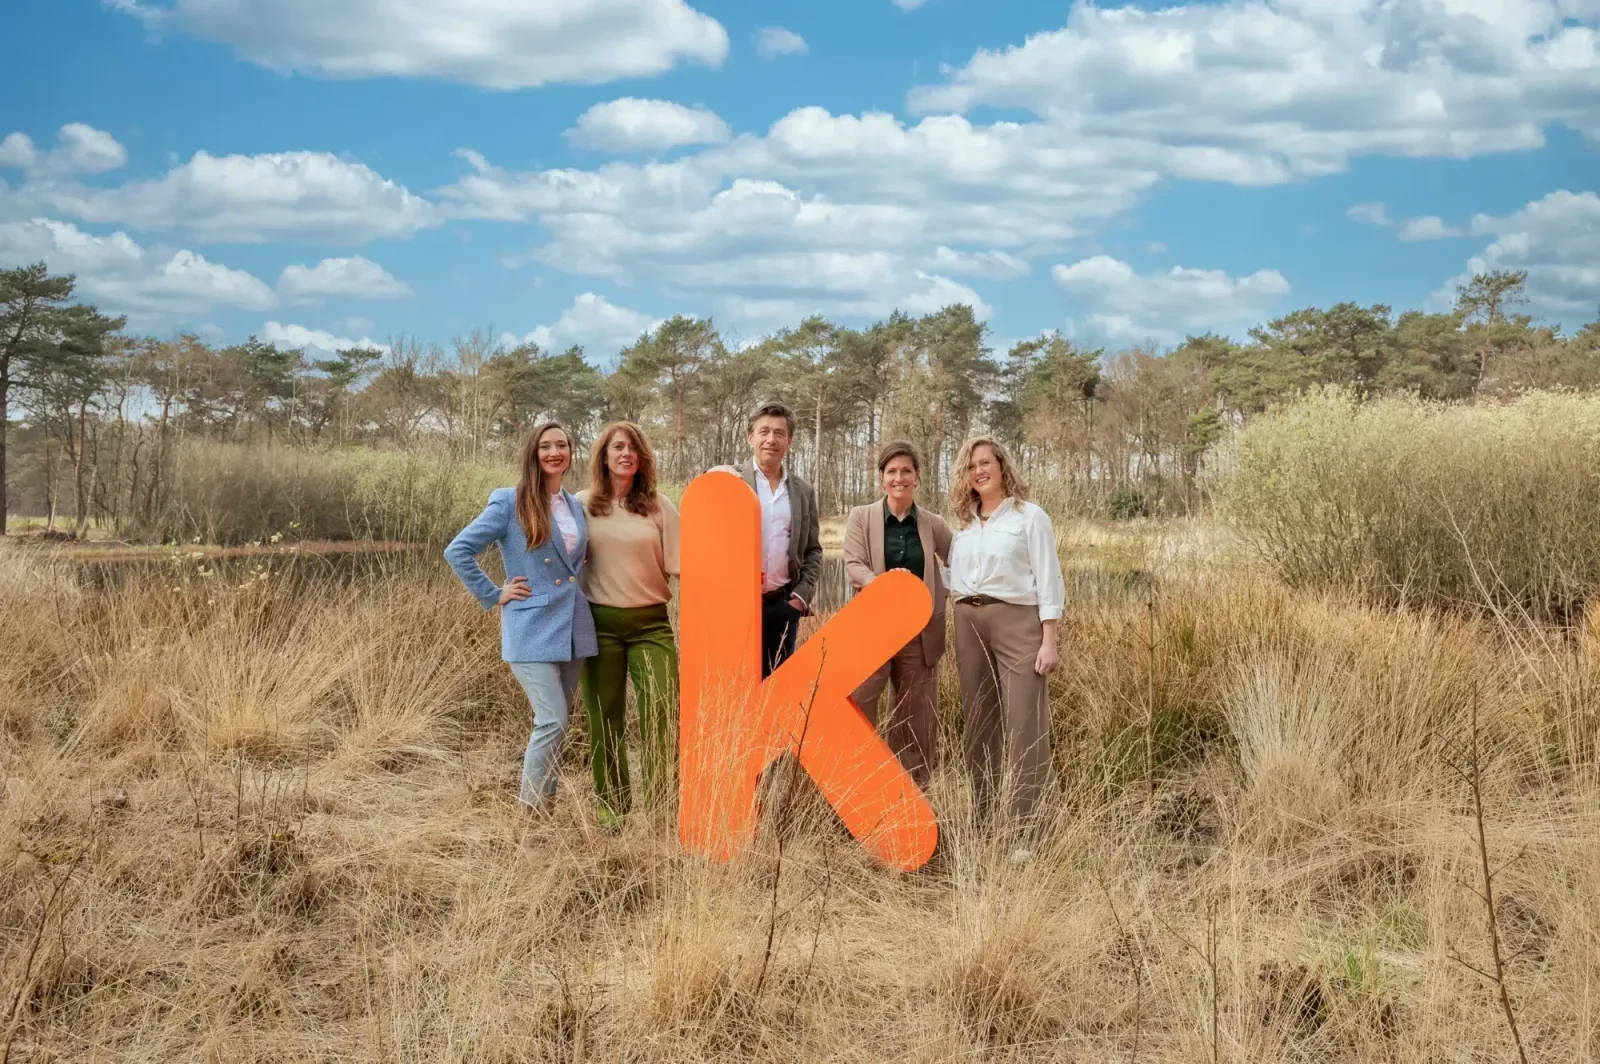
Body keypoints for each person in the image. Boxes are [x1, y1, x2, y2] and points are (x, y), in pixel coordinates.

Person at [445, 421, 596, 811]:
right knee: (552, 720)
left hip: (571, 626)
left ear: (570, 453)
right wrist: (495, 593)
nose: (554, 452)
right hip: (530, 625)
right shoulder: (509, 502)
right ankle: (529, 814)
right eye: (545, 446)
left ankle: (546, 807)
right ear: (533, 453)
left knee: (556, 727)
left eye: (561, 445)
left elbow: (572, 562)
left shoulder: (574, 504)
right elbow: (458, 550)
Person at [946, 435, 1066, 859]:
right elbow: (952, 579)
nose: (979, 471)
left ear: (1001, 466)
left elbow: (1049, 578)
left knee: (1024, 724)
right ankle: (981, 821)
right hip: (967, 620)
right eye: (970, 466)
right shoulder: (962, 525)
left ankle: (1026, 832)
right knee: (979, 725)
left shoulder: (1029, 517)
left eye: (985, 463)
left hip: (1018, 621)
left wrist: (1049, 638)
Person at [576, 421, 681, 822]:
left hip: (651, 626)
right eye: (617, 447)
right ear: (603, 455)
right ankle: (612, 811)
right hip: (597, 625)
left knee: (662, 714)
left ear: (642, 458)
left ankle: (661, 810)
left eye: (633, 448)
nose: (625, 454)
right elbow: (555, 556)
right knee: (605, 719)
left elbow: (683, 567)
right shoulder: (581, 504)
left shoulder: (659, 506)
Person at [841, 441, 952, 789]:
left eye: (906, 471)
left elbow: (962, 561)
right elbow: (854, 564)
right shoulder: (862, 516)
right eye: (892, 472)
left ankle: (911, 794)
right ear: (881, 478)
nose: (899, 478)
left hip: (919, 635)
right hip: (872, 630)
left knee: (915, 716)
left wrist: (947, 591)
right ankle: (856, 789)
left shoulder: (933, 524)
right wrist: (885, 586)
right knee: (859, 708)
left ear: (917, 477)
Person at [738, 402, 823, 678]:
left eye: (778, 433)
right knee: (737, 687)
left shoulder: (803, 491)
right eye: (763, 431)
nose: (770, 440)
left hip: (783, 605)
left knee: (779, 687)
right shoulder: (731, 481)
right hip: (738, 608)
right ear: (750, 437)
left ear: (789, 440)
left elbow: (813, 550)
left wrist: (800, 597)